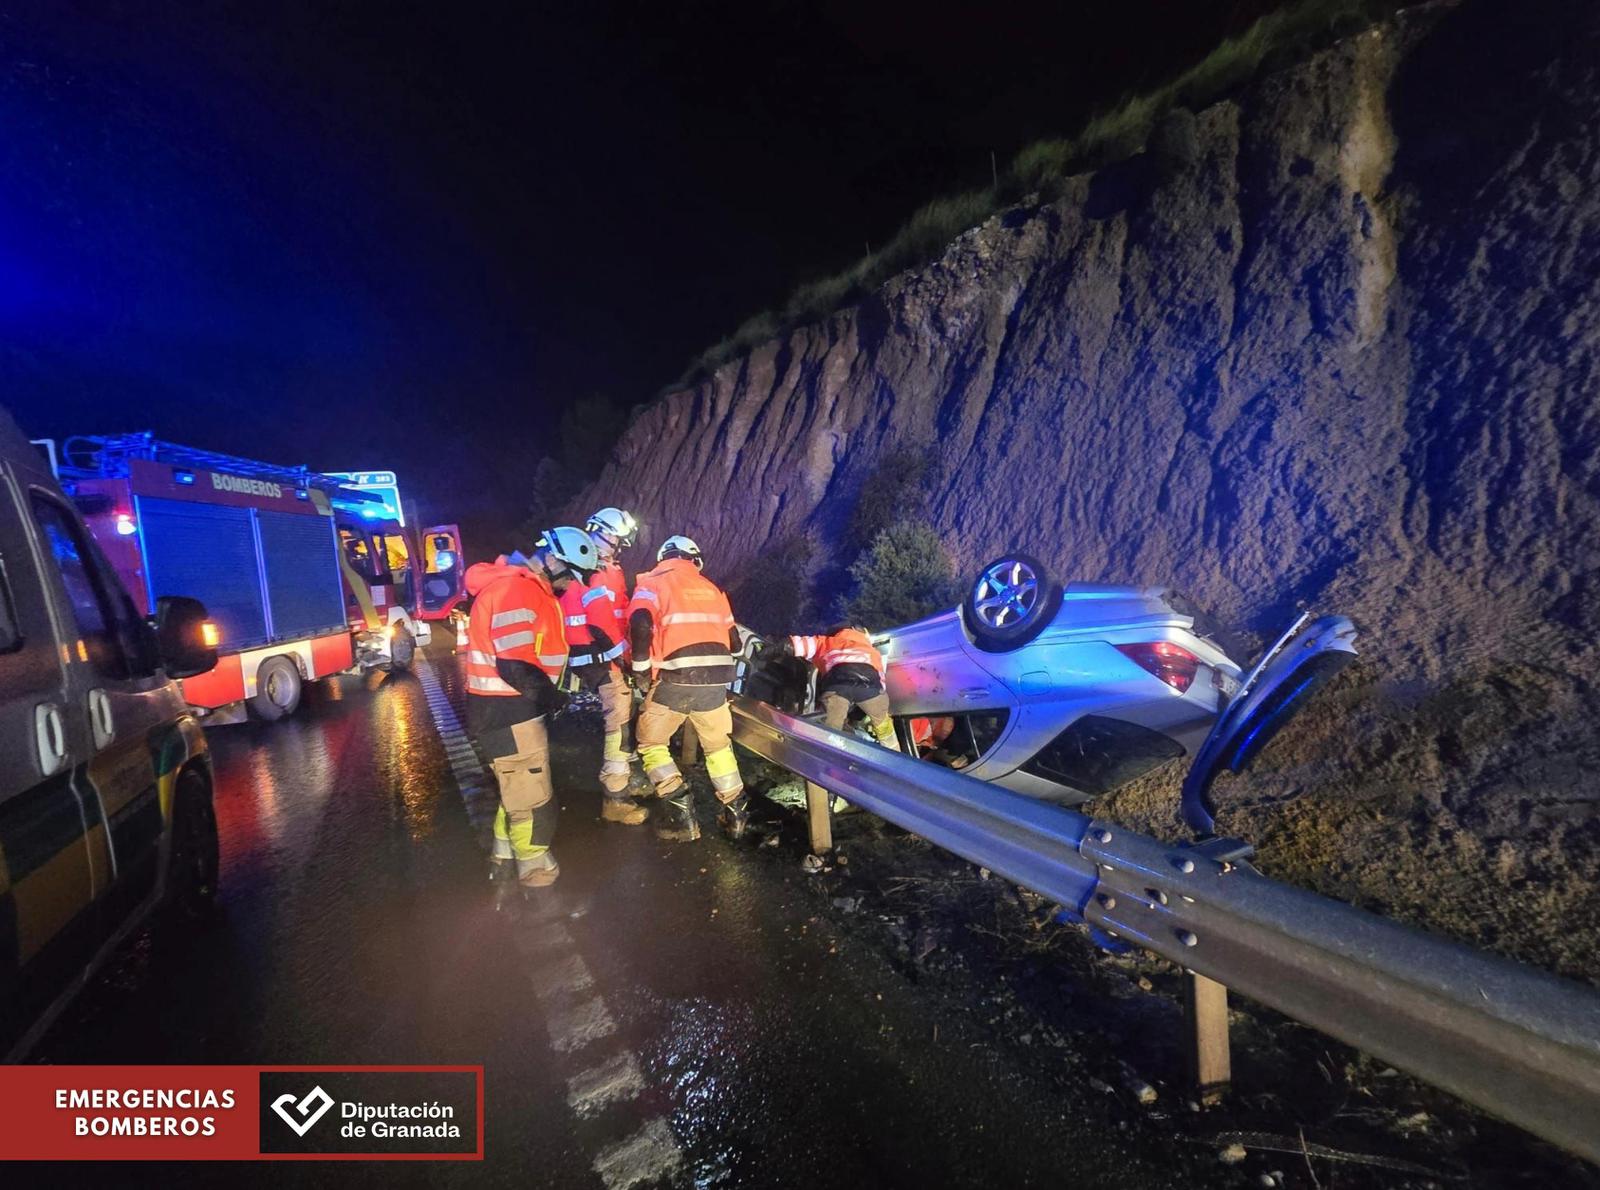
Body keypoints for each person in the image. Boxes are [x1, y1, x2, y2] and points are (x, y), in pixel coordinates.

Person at [463, 528, 598, 896]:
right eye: (570, 574)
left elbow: (537, 655)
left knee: (516, 793)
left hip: (509, 709)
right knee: (532, 802)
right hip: (509, 711)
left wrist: (564, 688)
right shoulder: (516, 590)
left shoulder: (527, 589)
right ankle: (537, 881)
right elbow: (515, 665)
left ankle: (503, 866)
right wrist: (554, 700)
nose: (571, 584)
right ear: (552, 559)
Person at [627, 535, 745, 841]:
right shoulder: (712, 589)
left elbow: (640, 622)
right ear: (695, 561)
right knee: (718, 746)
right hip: (716, 683)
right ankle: (735, 816)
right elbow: (735, 642)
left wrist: (640, 671)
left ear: (663, 557)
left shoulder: (652, 583)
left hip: (673, 679)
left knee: (651, 743)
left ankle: (681, 814)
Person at [583, 508, 650, 800]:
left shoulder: (612, 570)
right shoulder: (591, 569)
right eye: (616, 538)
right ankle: (616, 785)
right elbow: (599, 621)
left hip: (612, 651)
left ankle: (625, 768)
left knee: (627, 706)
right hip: (599, 653)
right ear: (600, 531)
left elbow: (620, 615)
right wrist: (626, 657)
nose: (619, 546)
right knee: (619, 712)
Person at [785, 624, 900, 750]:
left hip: (838, 687)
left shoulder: (828, 642)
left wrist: (775, 649)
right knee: (883, 724)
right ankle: (894, 753)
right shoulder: (872, 651)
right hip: (870, 687)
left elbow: (799, 644)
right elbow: (880, 680)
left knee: (833, 730)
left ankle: (836, 752)